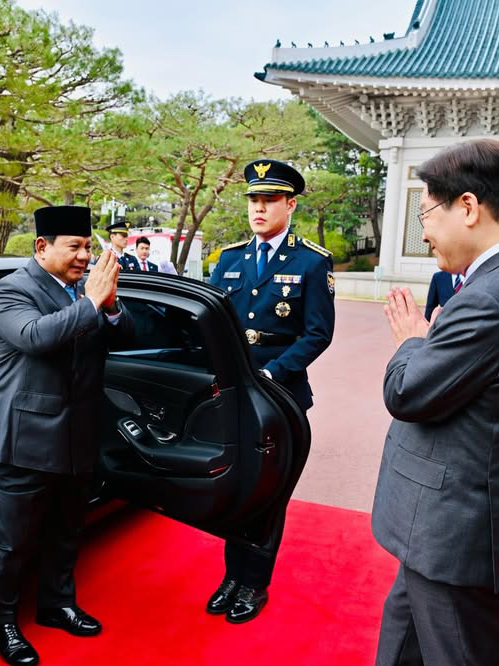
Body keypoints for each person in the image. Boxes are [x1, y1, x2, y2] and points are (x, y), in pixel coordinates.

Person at [373, 139, 499, 666]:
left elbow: (407, 392)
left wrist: (413, 341)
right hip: (440, 527)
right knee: (403, 648)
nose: (424, 230)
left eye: (427, 213)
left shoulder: (493, 296)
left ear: (469, 207)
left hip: (457, 532)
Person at [0, 205, 133, 666]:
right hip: (23, 438)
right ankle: (2, 621)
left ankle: (56, 604)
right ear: (42, 247)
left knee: (68, 529)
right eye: (76, 247)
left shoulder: (82, 291)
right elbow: (35, 337)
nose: (86, 255)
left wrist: (109, 305)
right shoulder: (11, 290)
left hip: (78, 433)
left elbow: (125, 337)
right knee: (14, 540)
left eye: (89, 246)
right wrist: (90, 301)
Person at [208, 159, 335, 623]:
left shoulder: (311, 261)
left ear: (290, 204)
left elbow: (318, 333)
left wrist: (273, 373)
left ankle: (253, 584)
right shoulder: (229, 258)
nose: (259, 209)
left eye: (269, 201)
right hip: (233, 396)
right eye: (253, 201)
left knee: (267, 493)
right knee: (234, 489)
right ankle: (230, 577)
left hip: (278, 396)